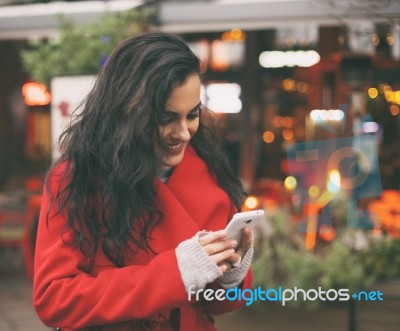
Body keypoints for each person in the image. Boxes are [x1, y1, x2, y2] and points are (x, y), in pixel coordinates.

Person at [33, 32, 253, 331]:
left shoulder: (211, 176)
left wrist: (230, 277)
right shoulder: (76, 179)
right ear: (126, 109)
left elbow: (216, 306)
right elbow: (53, 299)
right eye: (166, 118)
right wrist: (175, 273)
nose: (184, 132)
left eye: (191, 115)